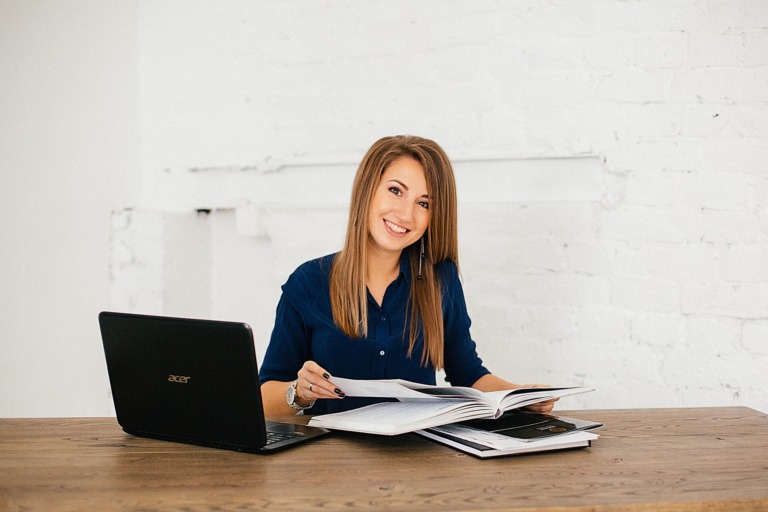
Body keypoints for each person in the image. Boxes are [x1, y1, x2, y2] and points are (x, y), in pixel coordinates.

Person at [259, 135, 557, 416]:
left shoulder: (441, 279)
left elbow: (468, 375)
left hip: (416, 456)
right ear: (368, 190)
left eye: (423, 203)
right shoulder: (308, 282)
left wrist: (522, 395)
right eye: (396, 191)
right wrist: (298, 392)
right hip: (331, 461)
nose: (405, 214)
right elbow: (264, 396)